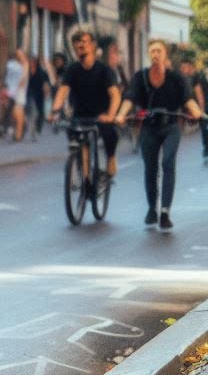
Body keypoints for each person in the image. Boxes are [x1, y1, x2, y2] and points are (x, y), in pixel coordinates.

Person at [116, 39, 202, 230]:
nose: (156, 54)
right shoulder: (141, 77)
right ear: (149, 54)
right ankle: (151, 209)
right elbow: (130, 98)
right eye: (152, 51)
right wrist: (121, 114)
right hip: (149, 127)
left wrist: (197, 112)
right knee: (150, 168)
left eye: (159, 51)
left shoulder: (176, 77)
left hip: (171, 126)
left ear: (165, 54)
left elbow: (188, 99)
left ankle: (164, 211)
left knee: (168, 163)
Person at [49, 26, 122, 176]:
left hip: (101, 115)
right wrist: (55, 111)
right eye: (76, 42)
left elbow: (115, 95)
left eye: (83, 41)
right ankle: (86, 177)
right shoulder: (72, 69)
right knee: (75, 137)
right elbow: (62, 91)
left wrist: (111, 115)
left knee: (110, 133)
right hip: (79, 115)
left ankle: (111, 158)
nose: (80, 45)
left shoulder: (104, 70)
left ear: (93, 45)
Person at [4, 48, 28, 141]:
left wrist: (21, 84)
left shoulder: (25, 63)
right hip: (11, 89)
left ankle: (19, 133)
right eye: (18, 54)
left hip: (20, 90)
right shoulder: (12, 63)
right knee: (12, 112)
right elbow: (8, 75)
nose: (20, 56)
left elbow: (24, 76)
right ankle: (22, 124)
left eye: (21, 54)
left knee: (17, 109)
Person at [26, 55, 52, 139]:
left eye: (33, 62)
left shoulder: (41, 72)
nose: (32, 63)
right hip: (29, 94)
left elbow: (46, 83)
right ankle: (32, 131)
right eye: (31, 62)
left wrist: (47, 92)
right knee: (33, 112)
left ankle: (38, 128)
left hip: (39, 94)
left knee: (40, 112)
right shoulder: (27, 71)